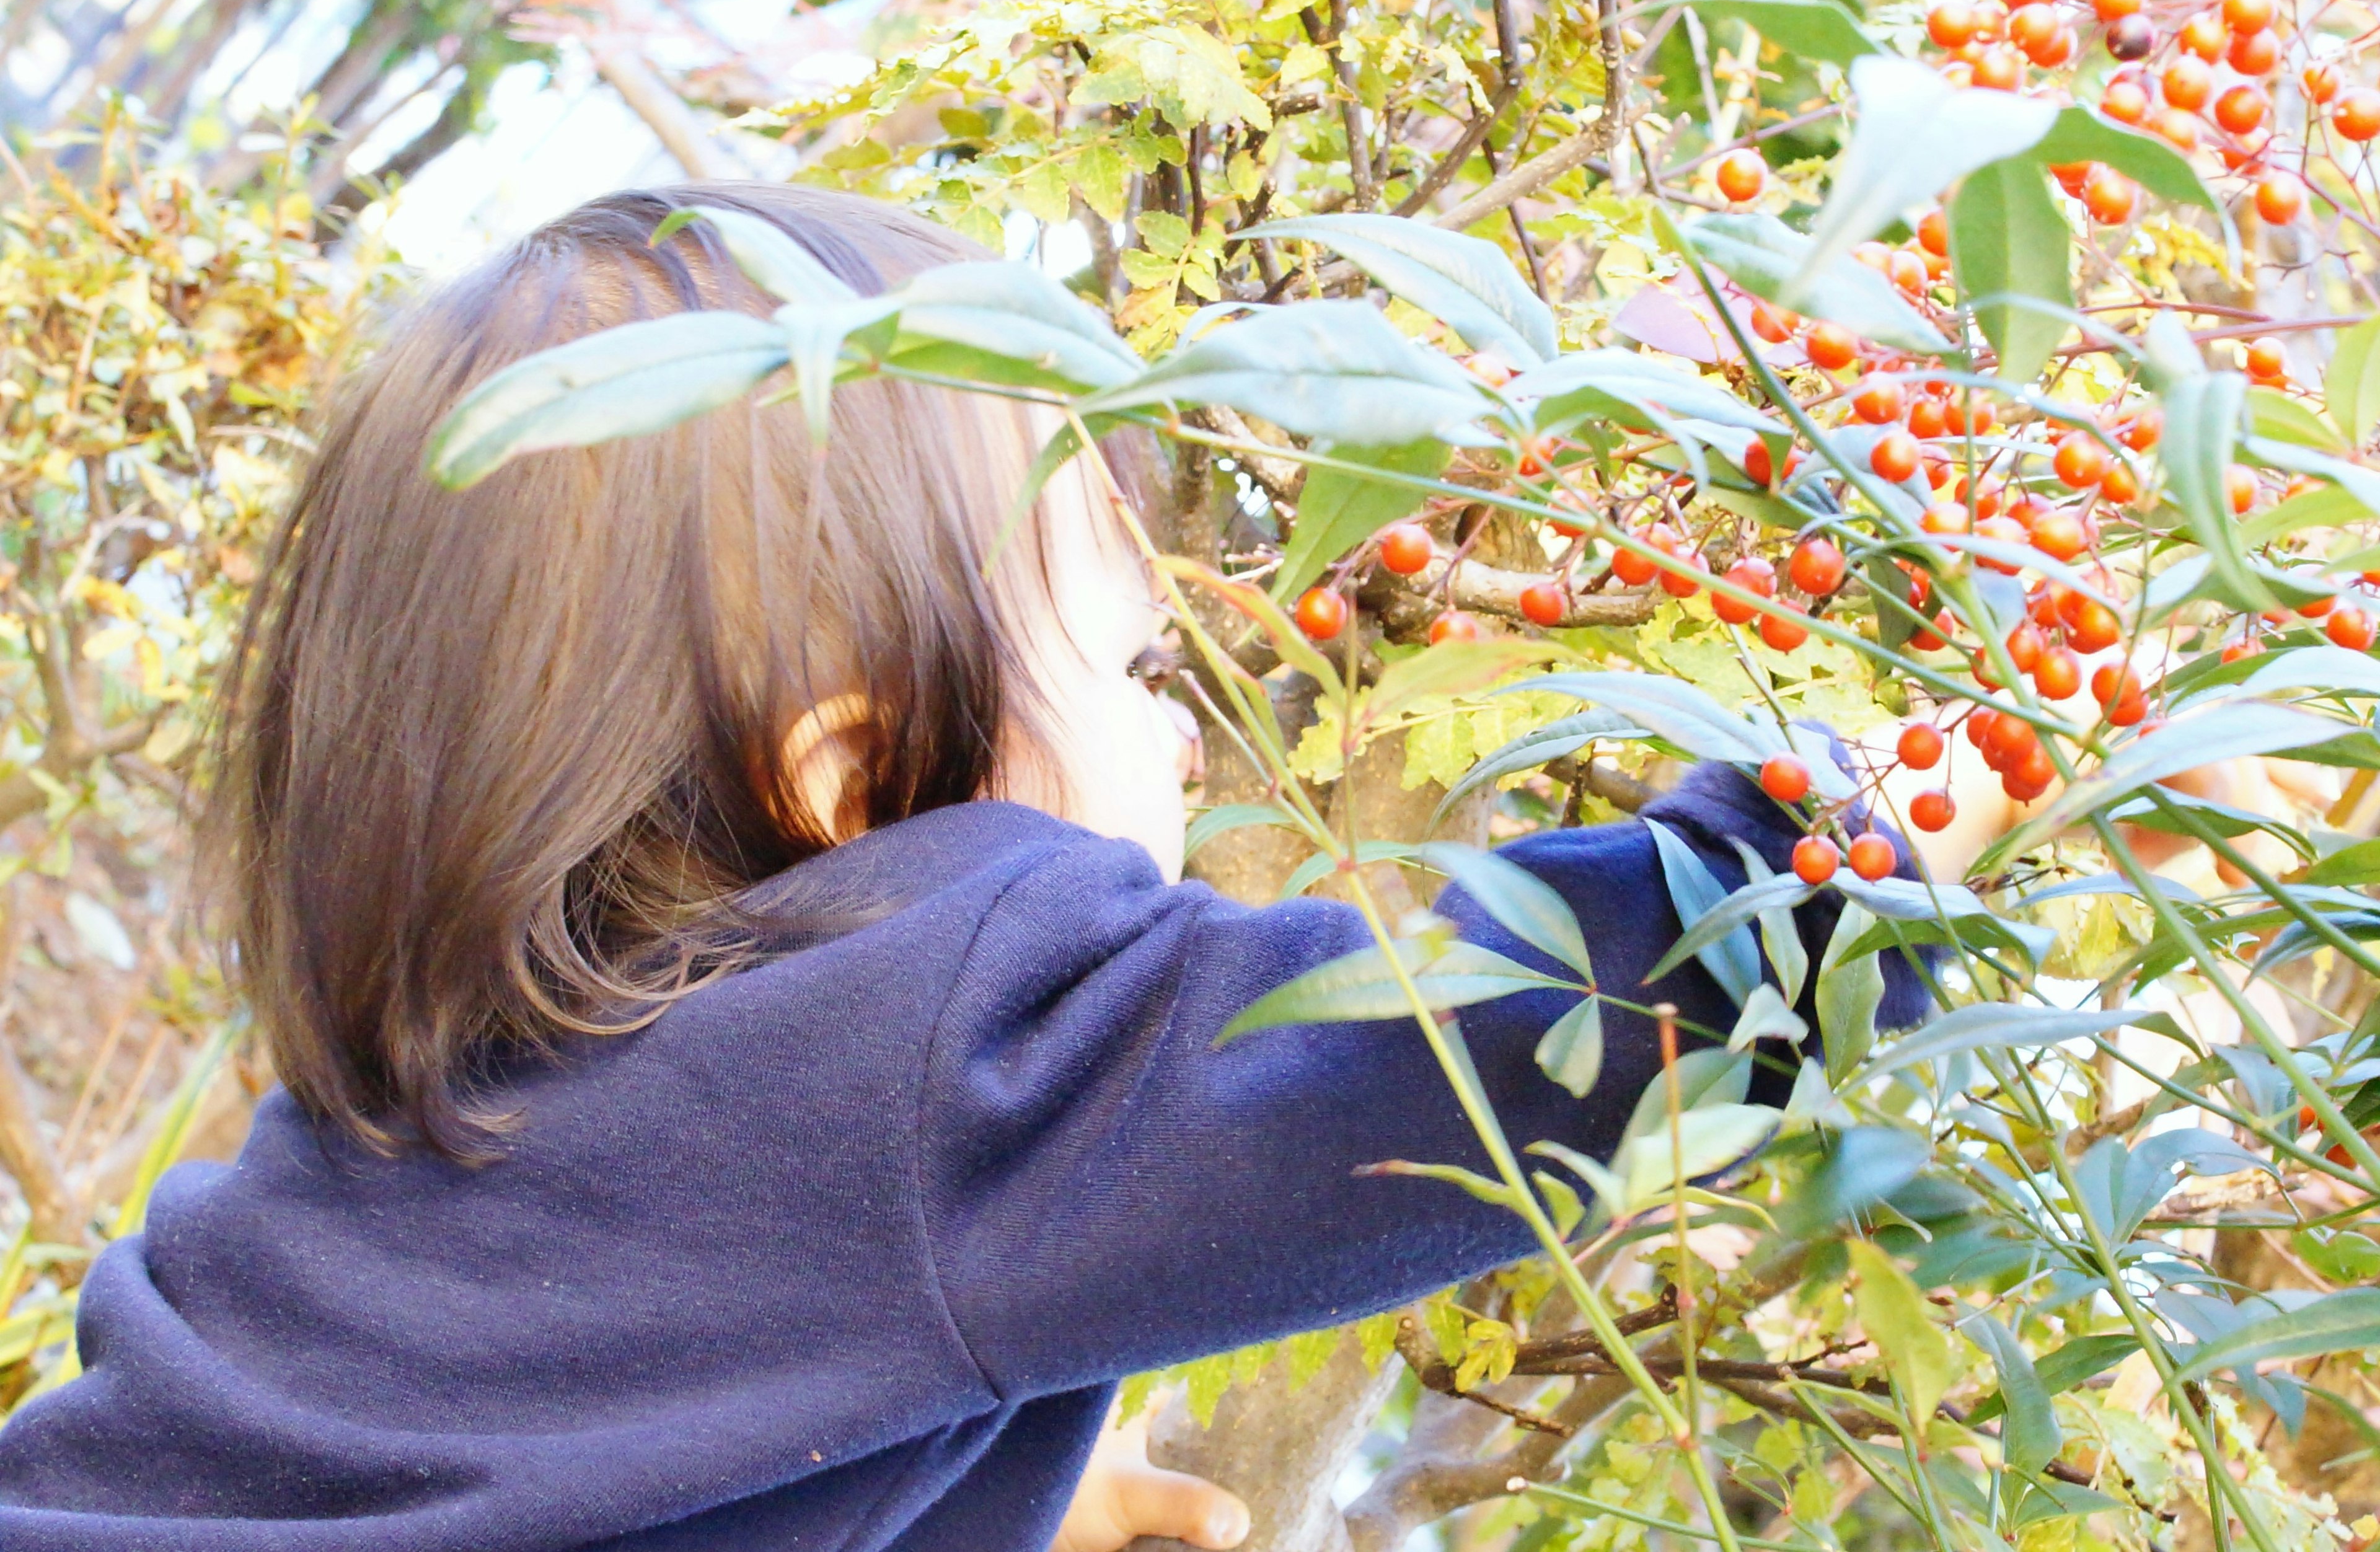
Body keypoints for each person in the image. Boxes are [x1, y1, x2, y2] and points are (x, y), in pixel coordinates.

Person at [0, 183, 1921, 1550]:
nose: (1186, 727)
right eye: (1132, 661)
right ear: (851, 782)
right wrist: (1850, 832)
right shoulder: (937, 1029)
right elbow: (1531, 1046)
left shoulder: (398, 1157)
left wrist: (948, 1470)